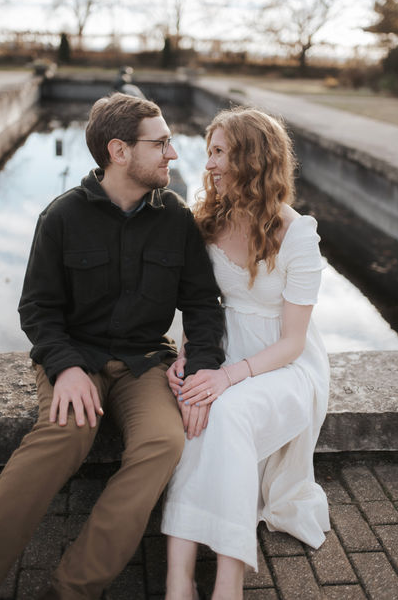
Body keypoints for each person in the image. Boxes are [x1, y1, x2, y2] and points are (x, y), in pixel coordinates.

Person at [0, 93, 224, 600]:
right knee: (65, 434)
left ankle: (72, 590)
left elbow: (203, 305)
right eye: (160, 143)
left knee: (164, 442)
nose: (173, 153)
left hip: (146, 361)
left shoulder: (176, 219)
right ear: (119, 151)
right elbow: (38, 310)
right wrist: (65, 368)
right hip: (77, 357)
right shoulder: (61, 216)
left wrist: (201, 366)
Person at [162, 107, 330, 600]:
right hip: (222, 350)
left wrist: (228, 377)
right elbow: (200, 304)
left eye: (219, 152)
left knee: (226, 411)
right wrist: (189, 357)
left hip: (285, 366)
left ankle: (229, 581)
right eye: (210, 151)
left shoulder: (297, 233)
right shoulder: (208, 221)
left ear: (251, 158)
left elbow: (293, 342)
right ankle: (178, 579)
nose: (209, 163)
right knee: (195, 411)